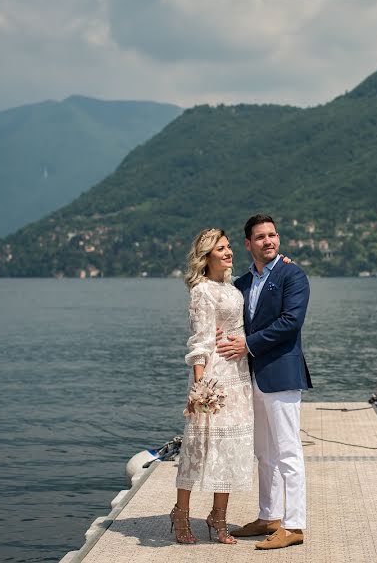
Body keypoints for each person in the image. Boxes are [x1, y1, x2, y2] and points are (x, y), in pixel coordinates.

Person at [216, 213, 312, 550]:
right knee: (264, 452)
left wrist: (247, 344)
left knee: (288, 452)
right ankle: (268, 516)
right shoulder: (240, 284)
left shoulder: (293, 275)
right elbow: (233, 320)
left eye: (273, 235)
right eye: (260, 237)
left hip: (281, 375)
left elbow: (290, 322)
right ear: (248, 244)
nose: (268, 241)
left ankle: (295, 524)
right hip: (250, 378)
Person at [170, 228, 254, 545]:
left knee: (230, 451)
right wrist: (200, 385)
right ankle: (181, 512)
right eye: (221, 248)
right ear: (207, 257)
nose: (229, 252)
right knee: (198, 447)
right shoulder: (202, 291)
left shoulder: (231, 289)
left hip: (240, 376)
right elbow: (200, 342)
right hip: (215, 377)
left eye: (229, 246)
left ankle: (218, 517)